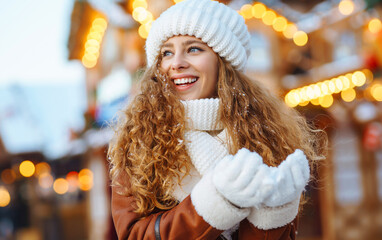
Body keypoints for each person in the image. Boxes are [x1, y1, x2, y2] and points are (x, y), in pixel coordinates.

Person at [108, 0, 326, 239]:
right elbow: (133, 235)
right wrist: (211, 206)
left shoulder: (265, 136)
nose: (177, 63)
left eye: (193, 49)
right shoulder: (138, 140)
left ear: (223, 62)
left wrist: (273, 216)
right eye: (166, 52)